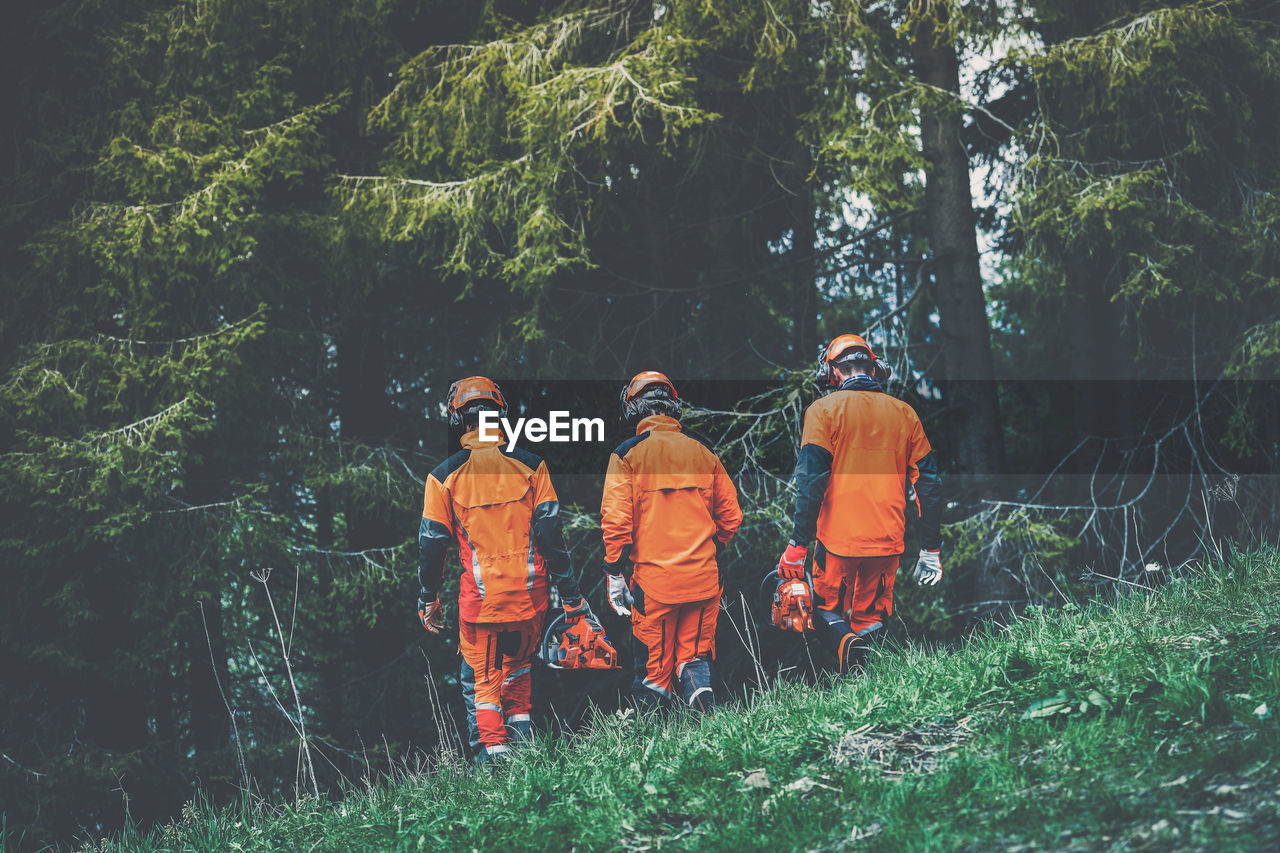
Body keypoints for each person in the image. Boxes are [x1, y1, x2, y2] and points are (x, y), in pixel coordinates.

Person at [416, 376, 589, 763]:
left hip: (481, 605)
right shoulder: (531, 466)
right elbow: (552, 537)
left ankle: (491, 759)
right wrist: (572, 597)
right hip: (531, 599)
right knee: (518, 669)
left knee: (480, 680)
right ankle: (523, 753)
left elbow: (432, 545)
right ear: (500, 414)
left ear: (459, 418)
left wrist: (429, 598)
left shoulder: (443, 477)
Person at [777, 335, 943, 675]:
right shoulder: (904, 413)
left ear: (832, 373)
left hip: (838, 544)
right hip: (887, 542)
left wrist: (798, 544)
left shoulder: (823, 411)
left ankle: (849, 652)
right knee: (872, 618)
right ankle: (870, 681)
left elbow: (811, 482)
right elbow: (928, 484)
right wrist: (931, 548)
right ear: (874, 367)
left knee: (824, 612)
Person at [600, 371, 743, 712]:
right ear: (673, 407)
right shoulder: (702, 452)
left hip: (655, 586)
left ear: (633, 408)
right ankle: (709, 724)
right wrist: (710, 550)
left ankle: (650, 748)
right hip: (704, 580)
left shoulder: (627, 455)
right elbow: (731, 517)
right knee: (694, 661)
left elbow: (617, 523)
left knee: (654, 674)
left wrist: (614, 571)